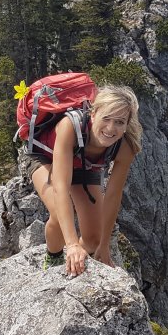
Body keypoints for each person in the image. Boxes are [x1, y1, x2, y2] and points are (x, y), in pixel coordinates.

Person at [19, 85, 142, 276]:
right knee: (59, 212)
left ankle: (78, 260)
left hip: (85, 165)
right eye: (106, 118)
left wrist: (104, 245)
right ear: (93, 114)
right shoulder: (71, 126)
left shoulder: (126, 148)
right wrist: (72, 243)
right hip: (46, 157)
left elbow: (112, 196)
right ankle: (54, 258)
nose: (111, 128)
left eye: (119, 122)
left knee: (93, 238)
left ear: (127, 125)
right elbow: (61, 187)